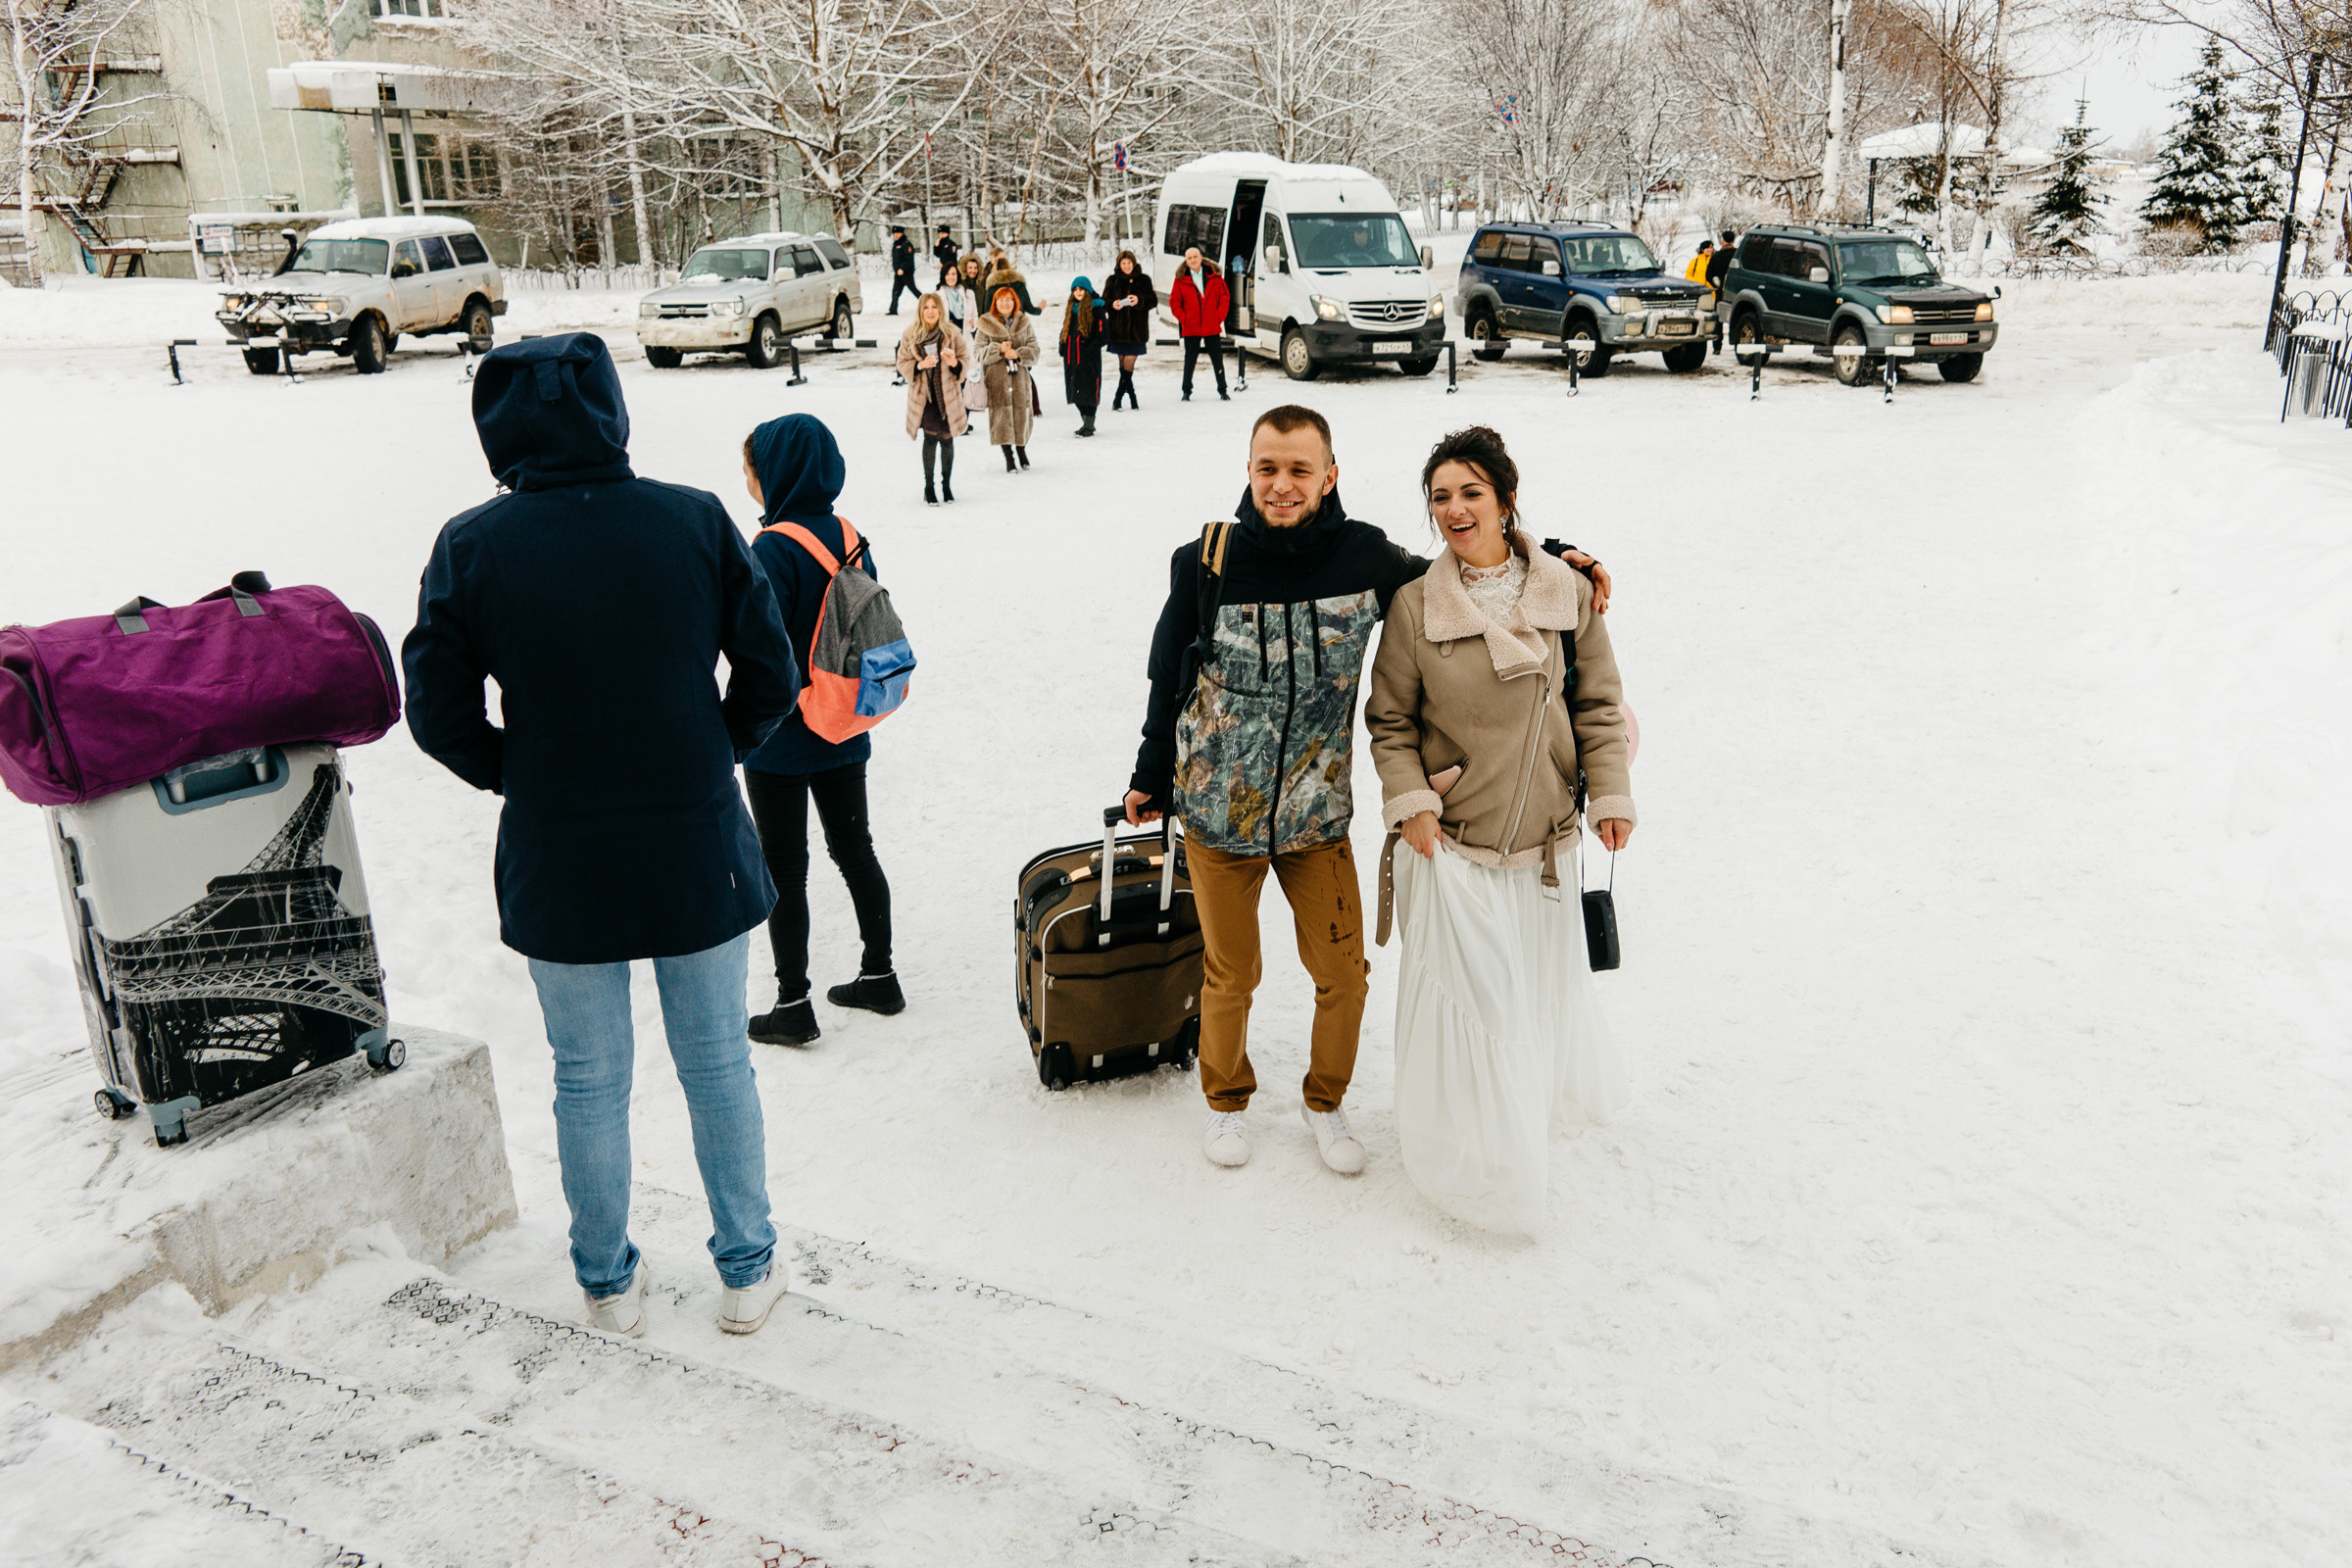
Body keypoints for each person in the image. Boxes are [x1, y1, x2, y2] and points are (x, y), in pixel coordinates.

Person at [402, 332, 801, 1339]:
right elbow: (771, 673)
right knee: (716, 1063)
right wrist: (714, 749)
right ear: (613, 408)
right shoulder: (695, 519)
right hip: (694, 839)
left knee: (587, 1077)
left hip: (560, 849)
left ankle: (606, 1281)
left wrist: (522, 772)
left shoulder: (473, 545)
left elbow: (437, 709)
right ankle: (748, 1272)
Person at [1122, 406, 1613, 1173]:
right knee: (1232, 973)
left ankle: (1326, 1101)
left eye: (1298, 470)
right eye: (1267, 469)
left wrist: (1554, 555)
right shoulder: (1205, 560)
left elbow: (1467, 571)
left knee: (1344, 973)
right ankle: (1226, 1102)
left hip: (1317, 815)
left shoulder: (1365, 559)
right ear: (1249, 470)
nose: (1282, 486)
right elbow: (1167, 679)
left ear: (1329, 475)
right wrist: (1149, 777)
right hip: (1218, 814)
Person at [1364, 425, 1634, 1235]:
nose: (1453, 508)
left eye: (1470, 492)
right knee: (1478, 1007)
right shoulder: (1416, 606)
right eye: (1440, 495)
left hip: (1545, 845)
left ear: (1505, 499)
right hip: (1453, 846)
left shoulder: (1566, 592)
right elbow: (1388, 722)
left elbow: (1598, 705)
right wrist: (1411, 802)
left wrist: (1610, 797)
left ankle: (1521, 1125)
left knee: (1528, 1003)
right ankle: (1473, 1150)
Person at [738, 415, 904, 1050]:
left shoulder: (770, 549)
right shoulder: (848, 533)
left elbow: (763, 648)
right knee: (854, 848)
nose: (750, 484)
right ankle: (880, 975)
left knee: (785, 866)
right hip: (844, 717)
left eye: (752, 472)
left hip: (782, 732)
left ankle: (793, 1003)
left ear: (775, 472)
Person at [898, 291, 967, 503]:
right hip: (925, 398)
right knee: (930, 439)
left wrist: (954, 362)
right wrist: (918, 365)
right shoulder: (910, 334)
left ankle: (946, 486)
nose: (930, 312)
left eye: (934, 307)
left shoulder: (952, 332)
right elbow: (901, 362)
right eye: (926, 307)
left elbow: (965, 359)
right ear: (921, 311)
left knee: (947, 440)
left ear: (940, 310)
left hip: (948, 398)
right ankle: (929, 487)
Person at [975, 278, 1038, 470]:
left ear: (1015, 302)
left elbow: (1035, 350)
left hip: (1019, 379)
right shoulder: (985, 323)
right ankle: (1009, 457)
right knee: (1002, 417)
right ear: (995, 303)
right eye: (1001, 300)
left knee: (1021, 415)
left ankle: (1021, 450)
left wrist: (1019, 354)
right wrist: (998, 349)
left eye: (1009, 300)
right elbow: (978, 352)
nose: (1005, 303)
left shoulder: (1024, 322)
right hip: (997, 379)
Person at [1168, 246, 1230, 401]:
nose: (1193, 260)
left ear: (1201, 257)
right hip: (1191, 327)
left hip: (1211, 325)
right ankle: (1186, 391)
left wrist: (1218, 317)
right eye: (1189, 258)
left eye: (1195, 257)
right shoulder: (1181, 280)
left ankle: (1223, 389)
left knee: (1217, 360)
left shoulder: (1215, 277)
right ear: (1186, 261)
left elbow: (1224, 298)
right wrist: (1185, 319)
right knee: (1189, 361)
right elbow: (1175, 302)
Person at [1101, 248, 1155, 411]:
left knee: (1128, 364)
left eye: (1129, 263)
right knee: (1123, 365)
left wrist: (1139, 300)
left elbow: (1153, 300)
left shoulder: (1144, 279)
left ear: (1134, 263)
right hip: (1117, 331)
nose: (1126, 266)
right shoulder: (1112, 280)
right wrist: (1112, 304)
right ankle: (1131, 398)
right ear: (1119, 265)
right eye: (1123, 263)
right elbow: (1103, 301)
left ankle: (1119, 397)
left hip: (1137, 331)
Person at [1059, 276, 1106, 437]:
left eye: (1081, 289)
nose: (1078, 292)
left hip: (1088, 360)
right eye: (1075, 290)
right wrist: (1062, 346)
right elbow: (1065, 328)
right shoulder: (1071, 308)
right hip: (1072, 358)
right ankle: (1086, 422)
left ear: (1088, 291)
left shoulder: (1097, 309)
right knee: (1076, 392)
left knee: (1089, 392)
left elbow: (1103, 335)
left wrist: (1089, 350)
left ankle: (1089, 424)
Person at [887, 225, 918, 315]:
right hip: (898, 273)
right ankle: (893, 310)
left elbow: (908, 259)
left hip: (906, 273)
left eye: (898, 233)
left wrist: (902, 268)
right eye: (894, 233)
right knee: (895, 291)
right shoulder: (896, 244)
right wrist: (896, 269)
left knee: (914, 290)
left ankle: (927, 303)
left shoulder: (906, 244)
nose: (896, 235)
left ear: (902, 233)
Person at [932, 224, 959, 289]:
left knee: (946, 285)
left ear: (947, 233)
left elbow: (952, 258)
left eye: (943, 233)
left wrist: (943, 263)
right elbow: (938, 254)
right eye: (940, 233)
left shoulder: (951, 244)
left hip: (951, 269)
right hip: (944, 269)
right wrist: (936, 246)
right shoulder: (941, 243)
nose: (941, 235)